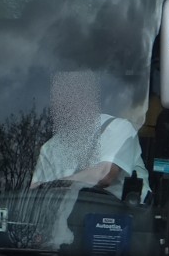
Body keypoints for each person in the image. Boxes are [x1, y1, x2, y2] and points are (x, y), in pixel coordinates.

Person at [30, 70, 150, 203]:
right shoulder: (50, 148)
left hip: (119, 217)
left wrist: (57, 185)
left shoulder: (118, 127)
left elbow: (104, 175)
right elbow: (35, 195)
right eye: (60, 96)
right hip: (63, 219)